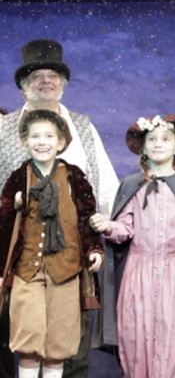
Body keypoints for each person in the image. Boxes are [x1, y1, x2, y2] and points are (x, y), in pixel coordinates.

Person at [0, 38, 119, 378]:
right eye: (36, 76)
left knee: (70, 341)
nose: (45, 82)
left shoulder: (82, 126)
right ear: (24, 86)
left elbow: (103, 183)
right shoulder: (5, 129)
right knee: (19, 336)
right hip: (19, 252)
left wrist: (102, 232)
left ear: (62, 84)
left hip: (70, 252)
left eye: (52, 76)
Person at [89, 114, 175, 377]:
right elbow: (125, 228)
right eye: (152, 139)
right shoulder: (132, 186)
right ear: (143, 147)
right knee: (136, 338)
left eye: (165, 139)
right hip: (137, 277)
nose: (158, 144)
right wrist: (108, 226)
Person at [0, 110, 103, 378]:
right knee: (29, 339)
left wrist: (94, 249)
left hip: (65, 270)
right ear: (25, 142)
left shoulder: (73, 177)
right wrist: (15, 205)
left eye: (49, 136)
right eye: (35, 136)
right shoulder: (19, 177)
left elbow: (86, 218)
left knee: (58, 343)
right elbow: (4, 225)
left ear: (61, 142)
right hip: (27, 271)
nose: (42, 142)